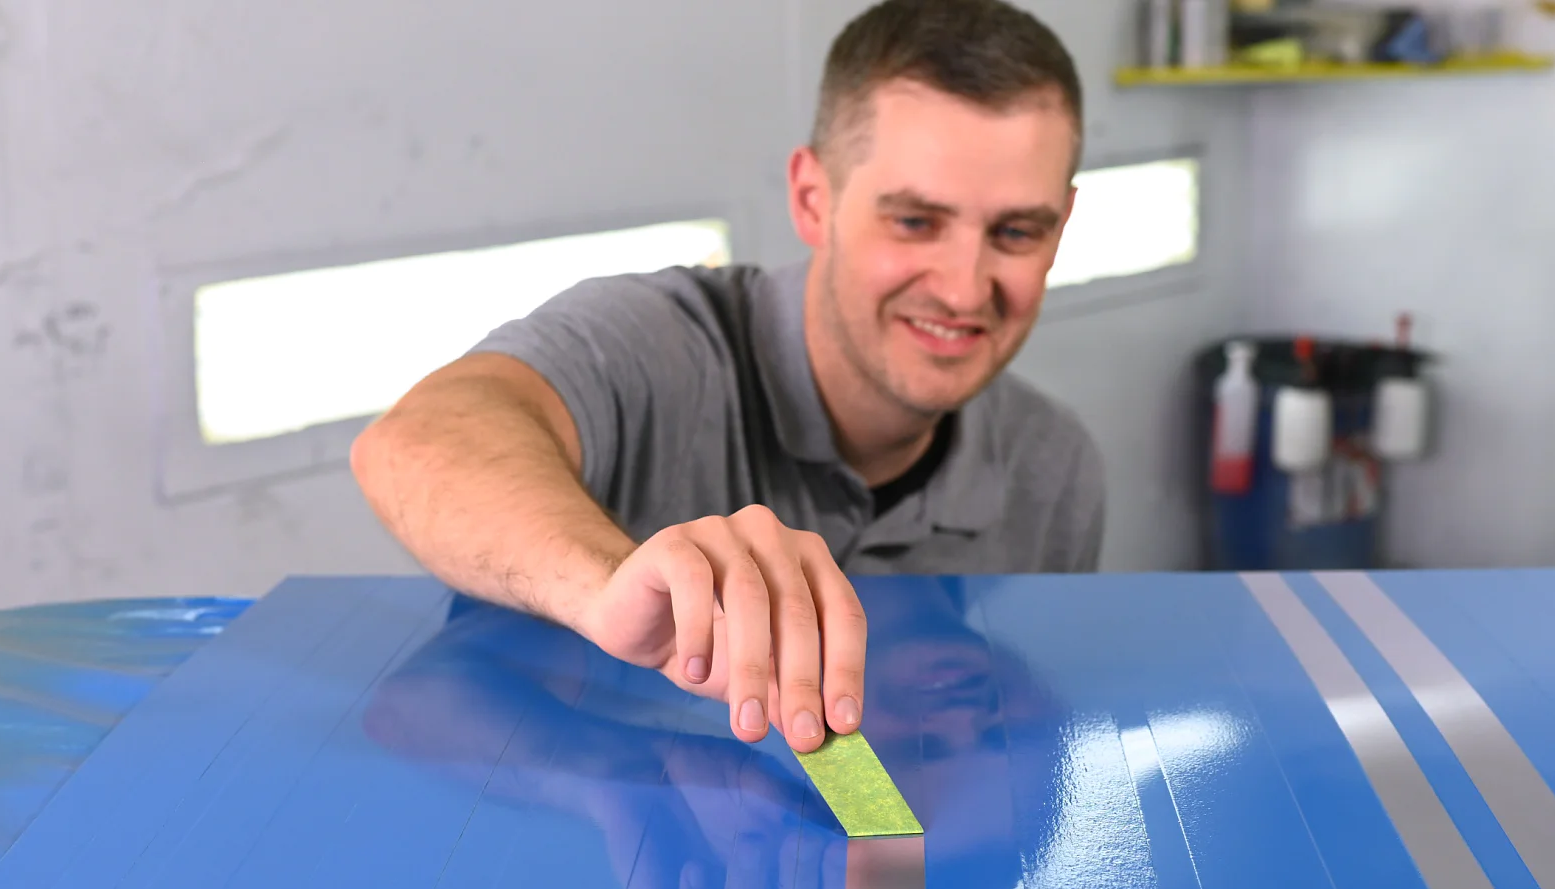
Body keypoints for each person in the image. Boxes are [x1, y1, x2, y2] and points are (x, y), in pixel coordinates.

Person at [351, 0, 1105, 758]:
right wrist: (615, 588)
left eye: (1015, 232)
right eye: (914, 222)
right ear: (815, 200)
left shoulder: (1053, 466)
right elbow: (420, 440)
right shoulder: (658, 345)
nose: (964, 288)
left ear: (1063, 229)